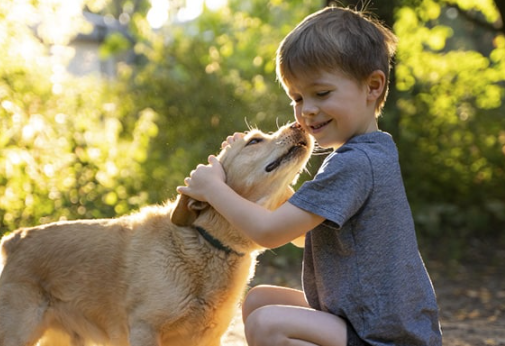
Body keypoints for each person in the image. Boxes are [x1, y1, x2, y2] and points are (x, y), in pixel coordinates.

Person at [177, 5, 442, 346]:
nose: (307, 110)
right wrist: (249, 169)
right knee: (259, 300)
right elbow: (304, 234)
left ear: (373, 86)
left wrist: (214, 190)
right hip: (367, 317)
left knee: (268, 324)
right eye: (297, 97)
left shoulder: (355, 163)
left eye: (321, 93)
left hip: (385, 336)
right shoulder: (370, 151)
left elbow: (271, 232)